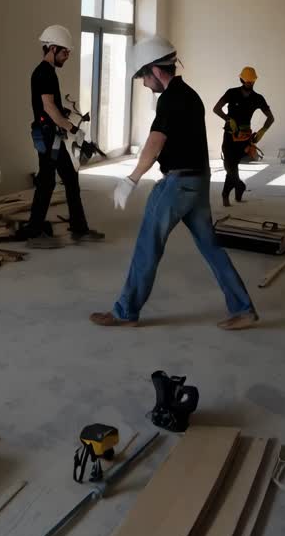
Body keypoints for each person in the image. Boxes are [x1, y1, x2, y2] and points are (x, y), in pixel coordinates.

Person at [90, 36, 259, 330]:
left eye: (144, 76)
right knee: (211, 248)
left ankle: (125, 312)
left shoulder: (170, 100)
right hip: (199, 181)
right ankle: (243, 309)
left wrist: (131, 179)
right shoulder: (190, 95)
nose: (144, 84)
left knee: (148, 245)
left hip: (178, 183)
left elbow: (155, 143)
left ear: (156, 70)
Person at [18, 25, 104, 249]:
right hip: (47, 136)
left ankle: (78, 228)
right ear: (53, 48)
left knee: (69, 178)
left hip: (51, 135)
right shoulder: (44, 73)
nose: (67, 56)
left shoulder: (47, 72)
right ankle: (35, 233)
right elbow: (48, 107)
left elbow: (50, 105)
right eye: (65, 52)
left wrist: (63, 116)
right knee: (46, 182)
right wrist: (73, 129)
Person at [213, 67, 274, 207]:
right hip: (230, 135)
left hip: (244, 137)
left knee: (232, 166)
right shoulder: (231, 93)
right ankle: (239, 186)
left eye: (251, 81)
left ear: (254, 80)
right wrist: (228, 119)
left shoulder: (258, 98)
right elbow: (216, 109)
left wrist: (262, 131)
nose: (249, 83)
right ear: (241, 79)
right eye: (247, 80)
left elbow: (271, 118)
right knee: (229, 166)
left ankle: (226, 194)